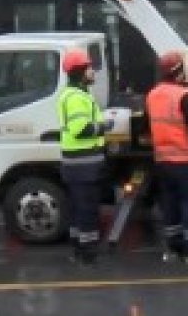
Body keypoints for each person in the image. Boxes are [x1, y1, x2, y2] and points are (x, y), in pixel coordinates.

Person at [147, 51, 188, 263]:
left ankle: (173, 249)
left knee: (170, 205)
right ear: (177, 72)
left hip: (163, 162)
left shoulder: (153, 95)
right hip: (185, 162)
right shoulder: (183, 96)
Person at [57, 48, 111, 265]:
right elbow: (81, 129)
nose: (92, 71)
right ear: (80, 71)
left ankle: (79, 250)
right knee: (87, 210)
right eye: (89, 67)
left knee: (78, 209)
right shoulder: (76, 98)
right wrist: (104, 127)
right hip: (83, 165)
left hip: (78, 164)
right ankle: (87, 254)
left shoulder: (76, 95)